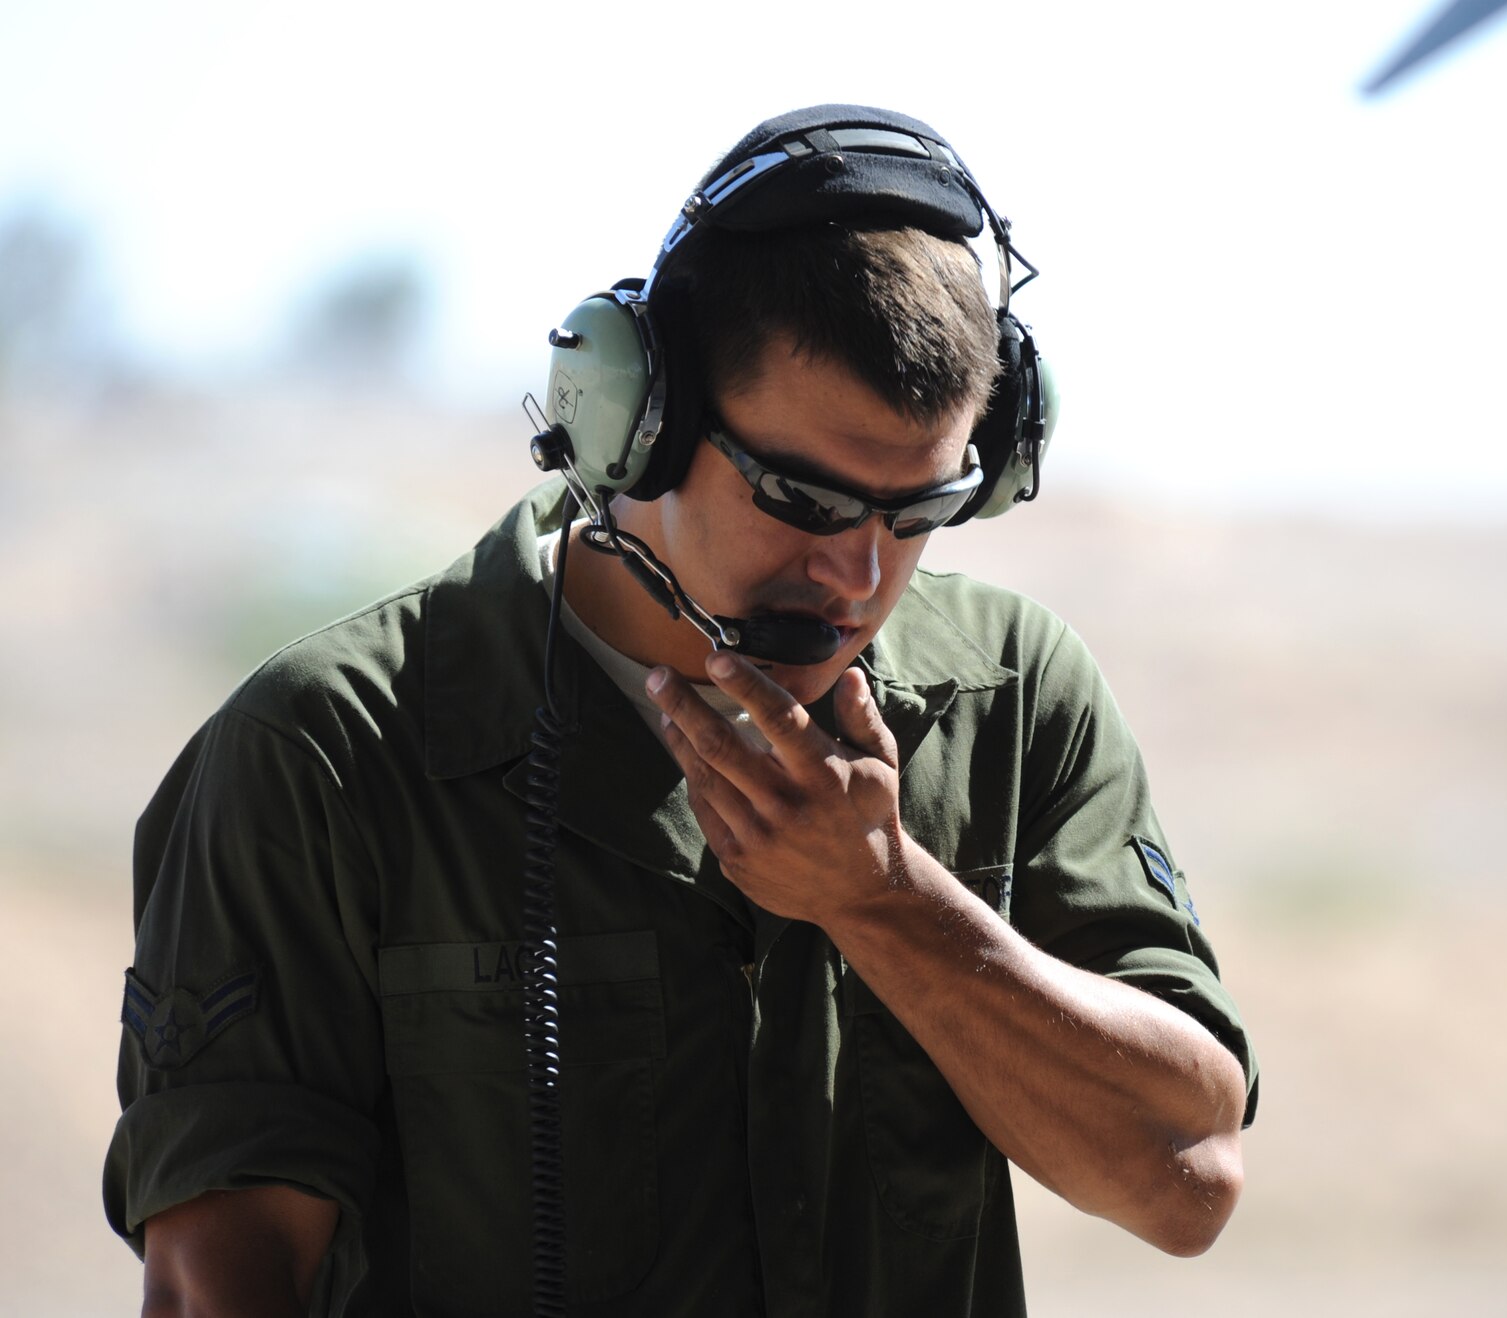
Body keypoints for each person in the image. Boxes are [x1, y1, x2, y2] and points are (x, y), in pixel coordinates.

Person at [105, 105, 1258, 1317]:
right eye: (801, 500)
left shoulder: (1013, 698)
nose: (858, 578)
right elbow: (215, 1281)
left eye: (915, 513)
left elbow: (1182, 1182)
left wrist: (886, 902)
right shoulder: (328, 751)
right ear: (636, 424)